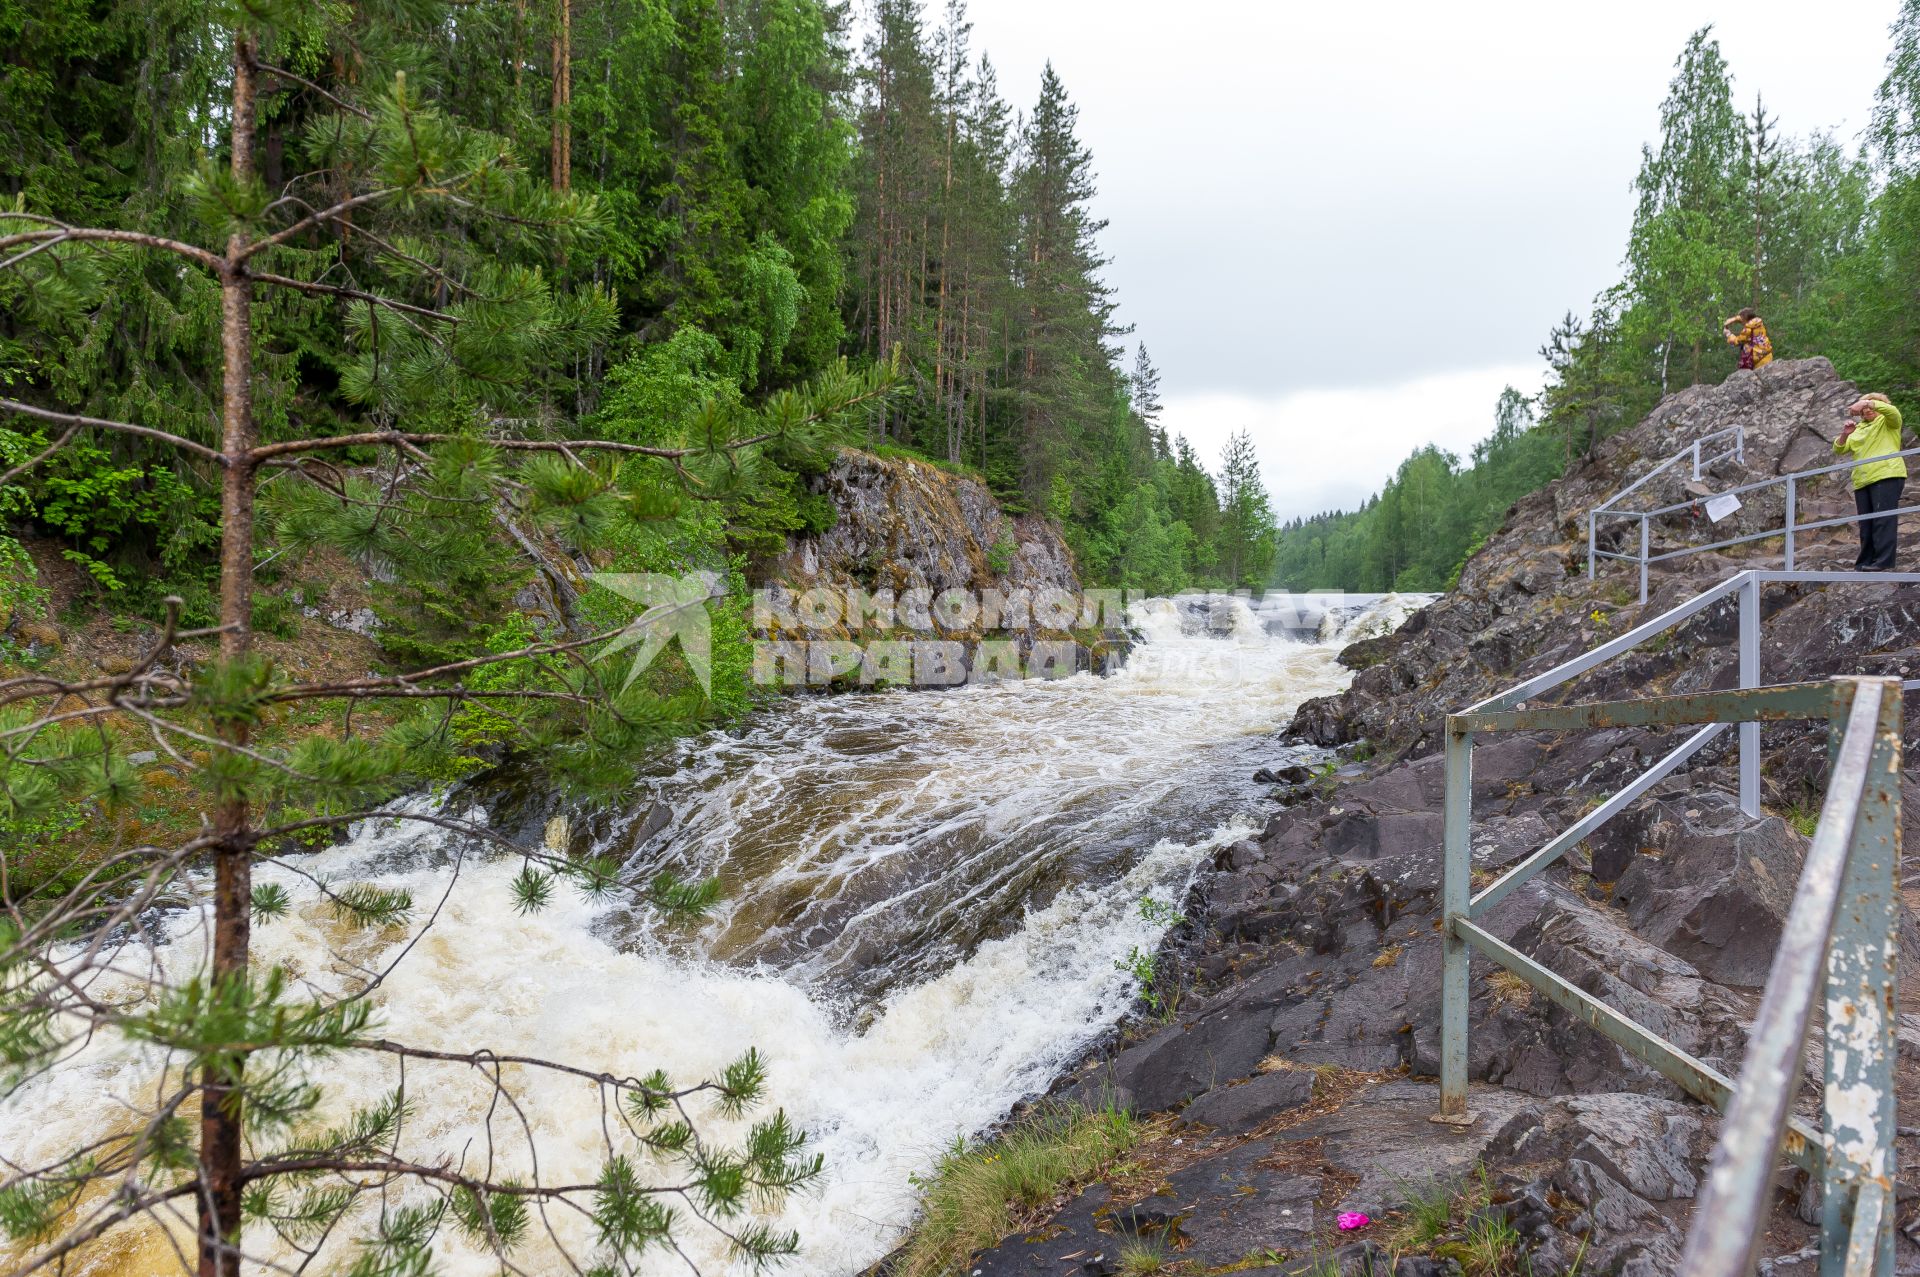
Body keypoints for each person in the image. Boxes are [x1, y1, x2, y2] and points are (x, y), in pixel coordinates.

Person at [1835, 393, 1908, 570]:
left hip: (1887, 474)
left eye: (1870, 407)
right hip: (1862, 480)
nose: (1867, 410)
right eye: (1864, 409)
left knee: (1883, 520)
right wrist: (1845, 434)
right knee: (1866, 523)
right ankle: (1865, 561)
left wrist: (1867, 402)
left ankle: (1883, 562)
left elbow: (1894, 413)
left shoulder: (1888, 423)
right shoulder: (1859, 428)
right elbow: (1839, 449)